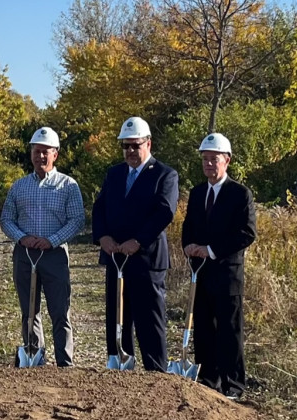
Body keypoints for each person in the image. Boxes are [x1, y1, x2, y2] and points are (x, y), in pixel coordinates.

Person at [92, 116, 179, 372]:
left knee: (149, 320)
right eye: (125, 146)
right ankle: (120, 366)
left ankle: (156, 372)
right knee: (118, 316)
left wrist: (138, 241)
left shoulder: (165, 174)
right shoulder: (115, 173)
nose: (130, 151)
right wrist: (103, 237)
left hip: (147, 260)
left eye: (135, 145)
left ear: (148, 144)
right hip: (116, 257)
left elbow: (165, 212)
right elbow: (99, 208)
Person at [0, 127, 85, 367]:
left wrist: (53, 240)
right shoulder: (19, 186)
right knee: (29, 310)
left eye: (46, 152)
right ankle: (33, 356)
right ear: (31, 154)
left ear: (55, 154)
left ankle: (64, 362)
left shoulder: (68, 185)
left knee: (60, 311)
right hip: (25, 255)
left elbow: (77, 220)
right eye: (37, 152)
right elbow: (6, 219)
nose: (41, 157)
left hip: (55, 254)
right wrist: (22, 238)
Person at [181, 133, 257, 400]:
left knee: (229, 331)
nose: (209, 164)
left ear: (227, 160)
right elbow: (188, 226)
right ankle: (208, 380)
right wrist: (188, 245)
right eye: (205, 159)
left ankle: (233, 385)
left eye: (214, 159)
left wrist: (211, 251)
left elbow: (246, 233)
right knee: (203, 328)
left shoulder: (240, 194)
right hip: (200, 273)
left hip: (227, 275)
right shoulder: (198, 192)